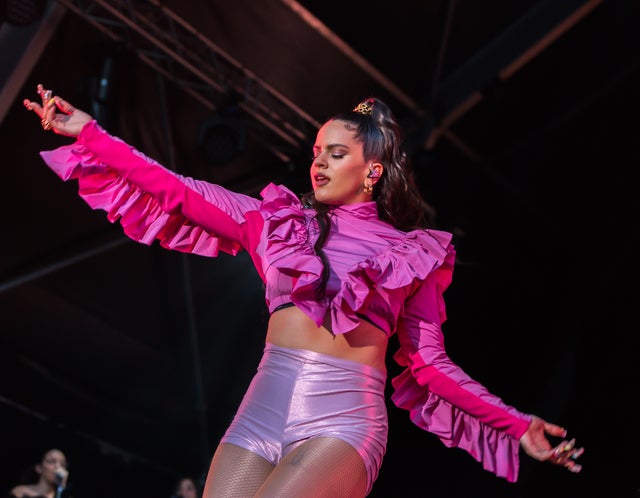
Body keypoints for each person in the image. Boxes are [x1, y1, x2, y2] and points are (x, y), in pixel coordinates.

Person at [24, 84, 584, 498]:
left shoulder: (411, 253)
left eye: (336, 153)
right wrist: (91, 134)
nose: (318, 162)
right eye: (317, 151)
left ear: (373, 171)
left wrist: (515, 424)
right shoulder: (274, 223)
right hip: (261, 410)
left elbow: (431, 365)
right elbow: (176, 189)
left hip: (344, 418)